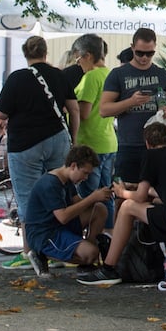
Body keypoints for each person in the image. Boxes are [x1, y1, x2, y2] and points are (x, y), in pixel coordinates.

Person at [78, 119, 166, 286]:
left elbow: (138, 198)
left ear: (147, 144)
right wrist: (140, 189)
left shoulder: (150, 155)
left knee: (127, 207)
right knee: (153, 201)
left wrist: (122, 192)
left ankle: (109, 267)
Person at [0, 36, 80, 270]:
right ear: (46, 52)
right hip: (57, 139)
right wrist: (73, 137)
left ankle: (29, 251)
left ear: (25, 54)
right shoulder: (59, 75)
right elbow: (73, 108)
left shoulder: (17, 78)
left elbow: (0, 113)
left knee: (27, 197)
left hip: (25, 144)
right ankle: (57, 249)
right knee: (58, 193)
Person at [100, 28, 166, 186]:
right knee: (125, 191)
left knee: (157, 191)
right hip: (129, 145)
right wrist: (130, 102)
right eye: (140, 53)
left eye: (149, 53)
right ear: (132, 47)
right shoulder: (118, 74)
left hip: (157, 146)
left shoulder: (162, 74)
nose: (144, 58)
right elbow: (104, 110)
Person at [22, 144, 111, 276]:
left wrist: (101, 196)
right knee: (92, 253)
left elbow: (78, 203)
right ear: (73, 166)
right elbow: (63, 216)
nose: (85, 178)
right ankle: (41, 255)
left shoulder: (67, 179)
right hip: (45, 233)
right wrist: (92, 198)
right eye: (85, 173)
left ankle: (86, 257)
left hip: (58, 226)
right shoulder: (50, 183)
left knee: (99, 209)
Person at [70, 33, 116, 228]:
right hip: (109, 141)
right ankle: (109, 235)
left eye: (79, 58)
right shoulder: (111, 75)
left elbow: (84, 113)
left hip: (90, 144)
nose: (78, 62)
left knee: (90, 196)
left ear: (88, 55)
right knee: (107, 194)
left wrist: (68, 107)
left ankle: (93, 240)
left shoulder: (91, 77)